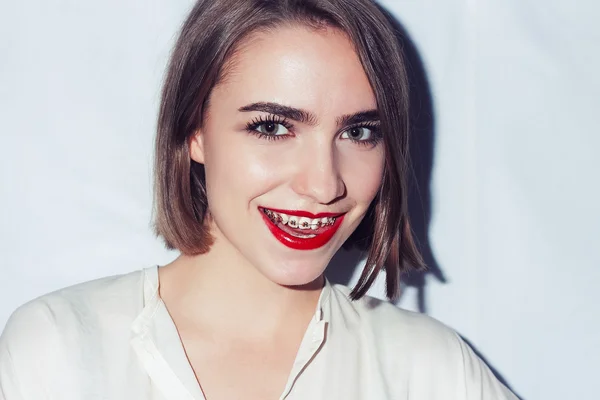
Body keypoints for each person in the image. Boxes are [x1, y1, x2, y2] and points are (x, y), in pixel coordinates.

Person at [0, 0, 518, 399]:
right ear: (193, 132)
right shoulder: (59, 347)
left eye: (359, 132)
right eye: (272, 127)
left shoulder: (429, 369)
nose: (323, 184)